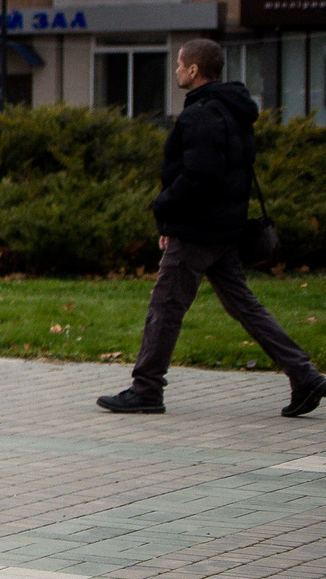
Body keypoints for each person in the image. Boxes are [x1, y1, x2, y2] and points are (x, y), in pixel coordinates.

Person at [100, 40, 325, 419]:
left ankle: (146, 389)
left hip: (197, 230)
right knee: (244, 306)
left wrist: (164, 206)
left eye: (179, 65)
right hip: (224, 228)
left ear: (193, 71)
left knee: (165, 307)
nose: (176, 71)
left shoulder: (201, 115)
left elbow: (199, 177)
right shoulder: (232, 109)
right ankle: (304, 375)